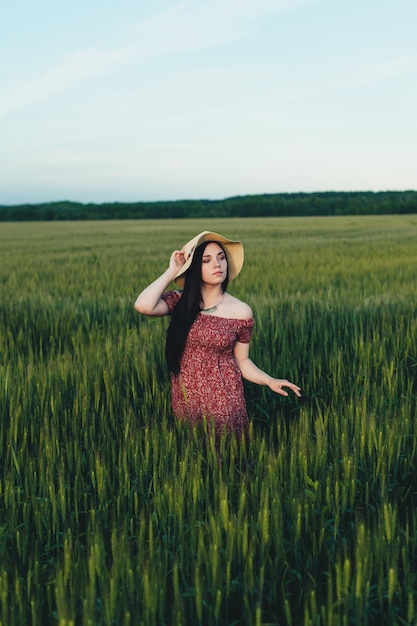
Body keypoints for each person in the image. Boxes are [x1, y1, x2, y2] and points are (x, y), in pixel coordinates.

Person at [134, 230, 301, 440]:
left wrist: (269, 380)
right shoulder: (180, 302)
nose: (217, 264)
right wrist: (172, 271)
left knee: (228, 461)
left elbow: (242, 360)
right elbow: (142, 305)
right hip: (186, 399)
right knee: (195, 460)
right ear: (195, 268)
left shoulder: (241, 311)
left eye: (221, 258)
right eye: (207, 260)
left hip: (224, 402)